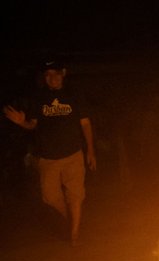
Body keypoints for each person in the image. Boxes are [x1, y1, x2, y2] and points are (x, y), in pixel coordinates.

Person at [3, 59, 96, 246]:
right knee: (51, 197)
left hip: (72, 153)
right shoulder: (40, 97)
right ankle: (68, 219)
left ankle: (74, 234)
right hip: (47, 157)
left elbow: (85, 123)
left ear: (63, 73)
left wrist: (90, 151)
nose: (52, 78)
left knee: (76, 195)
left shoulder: (74, 94)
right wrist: (21, 122)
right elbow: (33, 125)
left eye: (55, 73)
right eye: (48, 75)